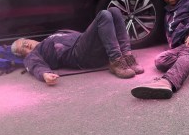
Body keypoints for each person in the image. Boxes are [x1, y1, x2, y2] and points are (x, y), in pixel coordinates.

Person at [12, 8, 143, 85]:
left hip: (85, 44)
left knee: (114, 11)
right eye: (22, 47)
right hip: (78, 55)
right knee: (104, 14)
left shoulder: (52, 36)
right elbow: (35, 66)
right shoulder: (33, 55)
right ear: (23, 54)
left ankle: (127, 56)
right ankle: (116, 62)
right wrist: (45, 75)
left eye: (25, 41)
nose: (26, 44)